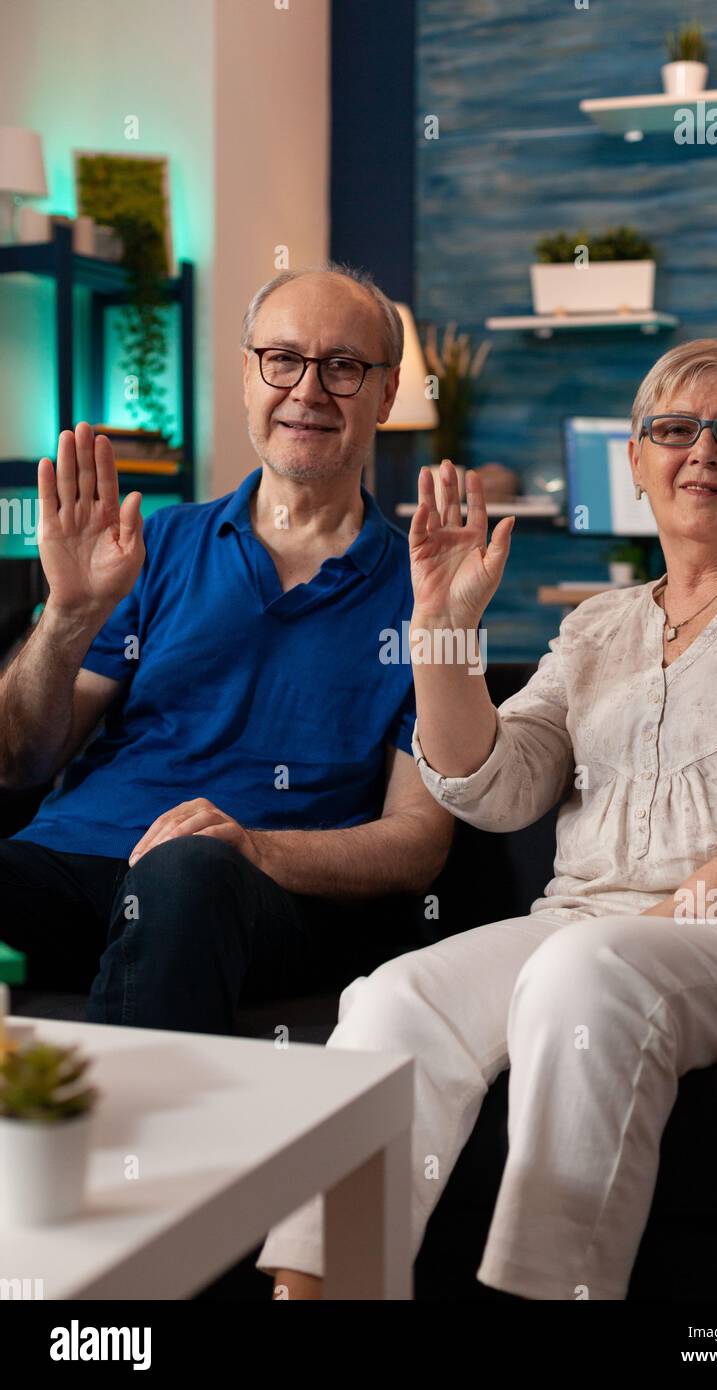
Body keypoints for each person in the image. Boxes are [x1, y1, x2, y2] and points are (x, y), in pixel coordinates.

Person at [259, 338, 717, 1300]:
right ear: (636, 459)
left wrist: (698, 905)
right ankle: (320, 1293)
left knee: (591, 970)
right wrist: (444, 627)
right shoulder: (597, 626)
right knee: (391, 999)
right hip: (589, 924)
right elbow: (495, 785)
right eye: (674, 429)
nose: (703, 451)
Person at [0, 264, 453, 1035]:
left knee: (189, 869)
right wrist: (70, 616)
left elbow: (416, 845)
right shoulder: (152, 547)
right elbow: (19, 761)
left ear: (384, 394)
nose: (307, 391)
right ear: (248, 376)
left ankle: (133, 1154)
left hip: (256, 899)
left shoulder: (431, 591)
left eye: (342, 367)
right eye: (282, 359)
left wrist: (255, 849)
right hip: (73, 873)